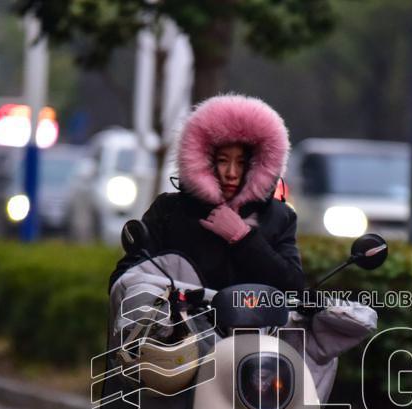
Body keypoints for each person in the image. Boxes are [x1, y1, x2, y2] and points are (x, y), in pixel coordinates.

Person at [110, 93, 305, 293]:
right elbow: (124, 278)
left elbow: (294, 287)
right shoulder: (169, 210)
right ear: (203, 160)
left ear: (258, 166)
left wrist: (243, 238)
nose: (231, 173)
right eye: (222, 161)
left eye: (242, 163)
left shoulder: (279, 216)